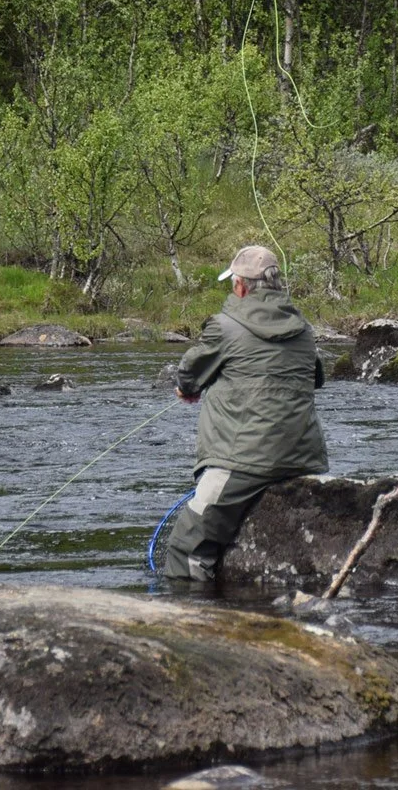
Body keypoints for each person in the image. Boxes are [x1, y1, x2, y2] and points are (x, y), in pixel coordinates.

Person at [164, 243, 328, 581]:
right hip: (303, 457)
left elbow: (189, 375)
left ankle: (195, 626)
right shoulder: (304, 329)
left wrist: (187, 390)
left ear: (240, 286)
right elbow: (317, 379)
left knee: (185, 548)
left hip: (241, 461)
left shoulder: (223, 326)